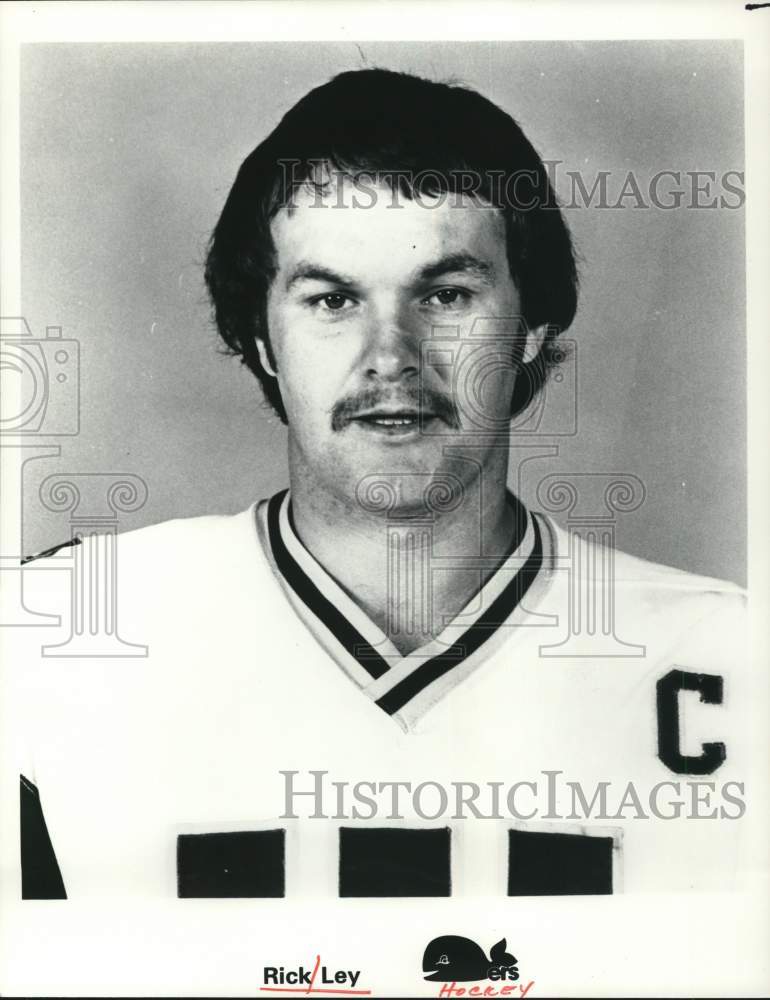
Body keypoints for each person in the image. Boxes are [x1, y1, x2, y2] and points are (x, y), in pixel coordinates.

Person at [15, 69, 746, 901]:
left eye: (445, 294)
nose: (391, 356)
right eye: (332, 299)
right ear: (261, 339)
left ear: (533, 327)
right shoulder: (59, 634)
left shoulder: (727, 659)